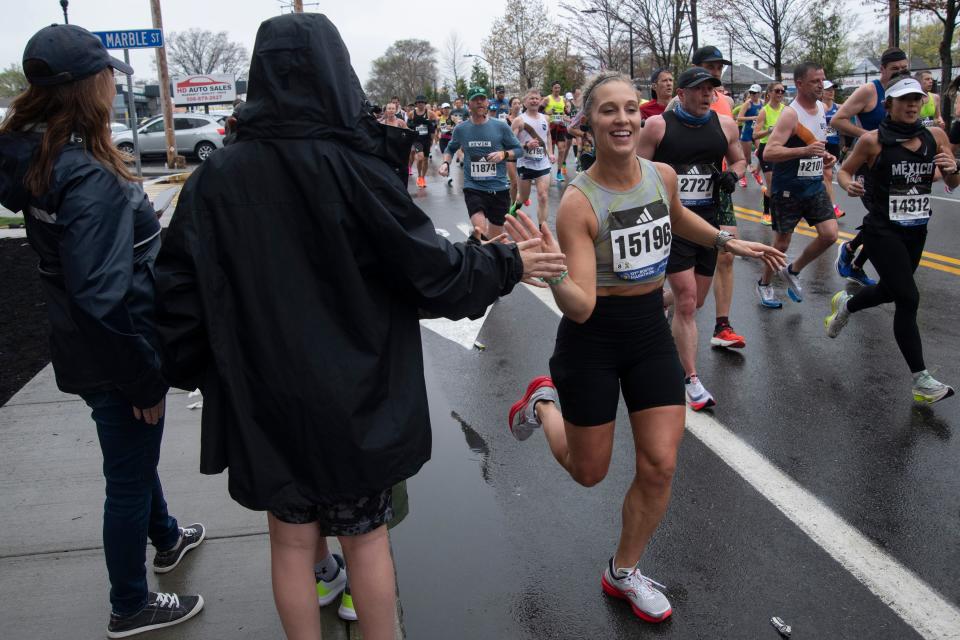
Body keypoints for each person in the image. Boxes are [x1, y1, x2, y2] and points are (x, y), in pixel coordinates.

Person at [152, 14, 566, 640]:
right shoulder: (354, 168)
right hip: (358, 397)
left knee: (292, 544)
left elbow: (176, 296)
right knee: (366, 540)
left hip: (263, 397)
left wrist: (188, 371)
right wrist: (506, 261)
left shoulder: (216, 178)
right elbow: (430, 272)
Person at [505, 71, 784, 625]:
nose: (624, 119)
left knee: (659, 463)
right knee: (590, 473)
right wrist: (549, 272)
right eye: (609, 110)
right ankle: (542, 401)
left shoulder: (660, 175)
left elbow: (673, 216)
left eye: (631, 108)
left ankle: (623, 571)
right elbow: (580, 306)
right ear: (588, 123)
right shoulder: (578, 204)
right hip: (593, 338)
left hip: (648, 332)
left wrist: (727, 239)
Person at [0, 24, 205, 638]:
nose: (115, 83)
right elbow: (100, 297)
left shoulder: (42, 161)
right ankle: (130, 603)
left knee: (134, 460)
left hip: (84, 349)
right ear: (89, 86)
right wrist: (143, 379)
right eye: (108, 74)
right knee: (127, 476)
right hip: (119, 353)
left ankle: (167, 537)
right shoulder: (89, 179)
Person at [827, 73, 959, 404]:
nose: (913, 105)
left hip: (916, 228)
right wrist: (848, 185)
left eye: (917, 99)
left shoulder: (935, 136)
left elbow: (953, 183)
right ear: (890, 105)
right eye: (905, 100)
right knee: (908, 298)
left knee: (890, 290)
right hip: (881, 230)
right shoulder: (872, 140)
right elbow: (844, 170)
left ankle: (847, 304)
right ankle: (921, 380)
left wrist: (953, 167)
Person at [638, 67, 746, 409]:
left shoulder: (724, 125)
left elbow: (740, 160)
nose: (707, 94)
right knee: (686, 301)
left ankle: (649, 305)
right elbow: (637, 170)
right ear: (680, 94)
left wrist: (733, 177)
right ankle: (690, 379)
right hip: (672, 225)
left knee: (696, 301)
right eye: (699, 89)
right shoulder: (658, 126)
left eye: (711, 89)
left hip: (708, 225)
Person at [756, 62, 839, 309]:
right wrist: (804, 150)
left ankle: (793, 270)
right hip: (788, 188)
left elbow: (817, 146)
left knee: (830, 234)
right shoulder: (790, 114)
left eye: (822, 80)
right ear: (800, 84)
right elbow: (768, 152)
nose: (820, 86)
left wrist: (826, 157)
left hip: (813, 185)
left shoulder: (823, 109)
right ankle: (764, 283)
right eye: (815, 81)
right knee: (781, 244)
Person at [831, 47, 910, 285]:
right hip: (869, 165)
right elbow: (837, 119)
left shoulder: (908, 91)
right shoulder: (869, 91)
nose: (900, 73)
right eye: (894, 69)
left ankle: (854, 259)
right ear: (883, 70)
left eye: (904, 69)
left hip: (897, 165)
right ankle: (850, 252)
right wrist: (869, 135)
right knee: (883, 218)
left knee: (894, 219)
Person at [440, 86, 524, 240]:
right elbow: (450, 149)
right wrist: (446, 163)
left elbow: (519, 150)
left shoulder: (501, 126)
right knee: (480, 230)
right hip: (474, 187)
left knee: (494, 240)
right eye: (475, 99)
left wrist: (503, 154)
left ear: (487, 102)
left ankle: (486, 258)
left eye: (482, 99)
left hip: (498, 188)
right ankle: (478, 257)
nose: (479, 102)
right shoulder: (461, 129)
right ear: (468, 104)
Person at [511, 88, 554, 225]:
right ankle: (513, 211)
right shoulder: (519, 120)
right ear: (525, 102)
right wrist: (526, 145)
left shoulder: (545, 118)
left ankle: (543, 231)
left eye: (537, 98)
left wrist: (551, 153)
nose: (534, 100)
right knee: (523, 198)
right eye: (531, 98)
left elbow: (547, 136)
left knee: (543, 196)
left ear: (540, 101)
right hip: (525, 163)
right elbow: (511, 142)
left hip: (542, 162)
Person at [752, 82, 786, 225]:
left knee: (783, 183)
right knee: (772, 183)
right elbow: (755, 135)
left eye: (782, 91)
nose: (780, 94)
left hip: (782, 148)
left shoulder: (786, 110)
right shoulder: (764, 111)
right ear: (769, 93)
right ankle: (766, 212)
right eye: (777, 91)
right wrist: (768, 130)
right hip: (767, 149)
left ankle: (772, 199)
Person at [821, 80, 845, 218]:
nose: (831, 92)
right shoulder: (818, 107)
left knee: (825, 177)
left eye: (833, 89)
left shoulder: (840, 107)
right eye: (828, 89)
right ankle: (832, 207)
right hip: (821, 145)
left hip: (834, 145)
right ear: (822, 92)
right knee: (827, 176)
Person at [736, 84, 764, 186]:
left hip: (756, 132)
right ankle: (742, 177)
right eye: (751, 92)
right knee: (747, 159)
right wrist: (753, 117)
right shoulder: (747, 103)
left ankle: (756, 173)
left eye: (754, 93)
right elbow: (739, 118)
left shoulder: (762, 103)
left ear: (760, 94)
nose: (752, 94)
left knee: (762, 153)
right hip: (747, 132)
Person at [409, 95, 437, 189]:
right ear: (416, 104)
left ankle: (422, 177)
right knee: (420, 157)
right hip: (417, 139)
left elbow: (433, 128)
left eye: (422, 102)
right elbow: (409, 127)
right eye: (418, 102)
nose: (420, 104)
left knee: (425, 159)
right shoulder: (412, 113)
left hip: (426, 139)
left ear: (425, 103)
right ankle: (418, 176)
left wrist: (432, 139)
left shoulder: (430, 113)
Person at [545, 81, 570, 181]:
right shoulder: (547, 99)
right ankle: (547, 167)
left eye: (559, 88)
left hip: (560, 127)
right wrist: (548, 112)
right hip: (550, 127)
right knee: (551, 150)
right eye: (555, 88)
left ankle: (559, 172)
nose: (557, 89)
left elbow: (566, 112)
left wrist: (567, 107)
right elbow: (539, 111)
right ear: (552, 88)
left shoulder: (563, 99)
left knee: (561, 149)